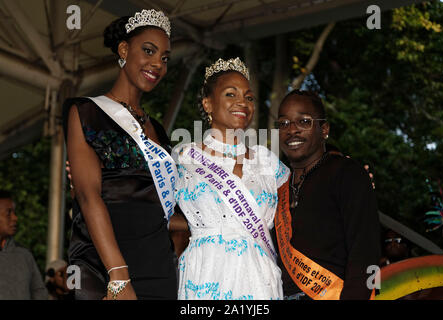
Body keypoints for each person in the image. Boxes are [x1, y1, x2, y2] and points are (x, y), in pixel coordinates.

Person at [62, 9, 178, 300]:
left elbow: (163, 209)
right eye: (149, 51)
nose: (157, 65)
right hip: (105, 264)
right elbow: (89, 197)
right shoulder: (85, 112)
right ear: (124, 49)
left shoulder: (159, 132)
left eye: (164, 58)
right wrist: (118, 275)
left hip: (158, 264)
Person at [172, 57, 290, 300]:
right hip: (205, 274)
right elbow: (151, 212)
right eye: (230, 94)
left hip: (259, 279)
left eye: (249, 97)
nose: (242, 103)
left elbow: (295, 212)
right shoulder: (184, 158)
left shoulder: (267, 161)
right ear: (208, 104)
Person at [274, 90, 381, 300]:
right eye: (283, 123)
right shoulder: (277, 186)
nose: (292, 130)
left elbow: (366, 253)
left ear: (324, 129)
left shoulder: (347, 173)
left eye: (303, 121)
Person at [0, 190, 48, 300]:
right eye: (8, 213)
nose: (15, 218)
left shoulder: (24, 255)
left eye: (14, 212)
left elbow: (39, 292)